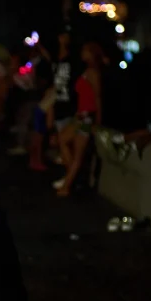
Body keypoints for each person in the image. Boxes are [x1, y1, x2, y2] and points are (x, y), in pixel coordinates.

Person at [55, 41, 104, 197]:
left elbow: (97, 98)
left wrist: (98, 120)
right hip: (81, 115)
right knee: (62, 139)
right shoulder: (87, 71)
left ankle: (67, 185)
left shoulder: (93, 72)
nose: (82, 53)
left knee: (78, 153)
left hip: (87, 117)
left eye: (85, 50)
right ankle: (72, 177)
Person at [48, 28, 78, 168]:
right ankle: (69, 174)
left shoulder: (71, 61)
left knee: (66, 142)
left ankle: (70, 176)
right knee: (63, 141)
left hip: (69, 105)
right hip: (59, 104)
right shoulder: (58, 61)